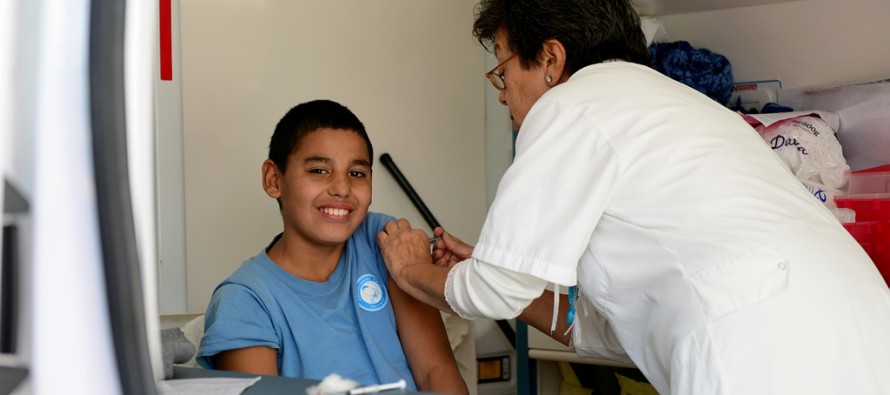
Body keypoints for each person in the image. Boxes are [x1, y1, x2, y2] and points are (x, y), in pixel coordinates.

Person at [376, 0, 890, 394]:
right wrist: (495, 266)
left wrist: (411, 270)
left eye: (503, 71)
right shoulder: (675, 106)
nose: (503, 92)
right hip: (862, 331)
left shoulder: (570, 106)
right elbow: (609, 328)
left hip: (761, 349)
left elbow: (492, 292)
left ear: (551, 59)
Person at [197, 100, 468, 394]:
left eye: (356, 173)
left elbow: (436, 372)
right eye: (319, 170)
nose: (342, 188)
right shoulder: (245, 300)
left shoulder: (384, 242)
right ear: (274, 179)